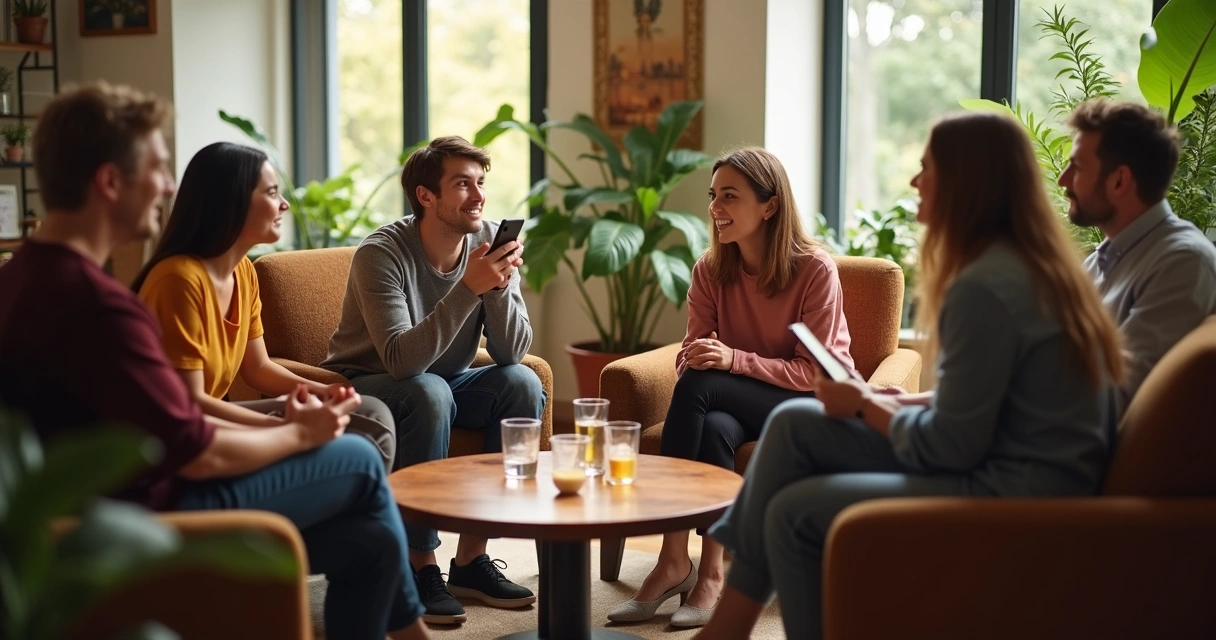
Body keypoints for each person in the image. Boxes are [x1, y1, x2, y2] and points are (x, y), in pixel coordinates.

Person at [0, 82, 431, 640]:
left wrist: (298, 419)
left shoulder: (20, 278)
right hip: (142, 520)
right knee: (356, 456)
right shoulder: (99, 308)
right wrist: (300, 435)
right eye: (156, 168)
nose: (167, 186)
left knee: (370, 541)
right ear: (109, 182)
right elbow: (196, 454)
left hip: (94, 510)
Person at [691, 112, 1124, 640]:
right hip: (1004, 454)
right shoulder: (1019, 266)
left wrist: (866, 407)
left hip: (1016, 485)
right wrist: (893, 399)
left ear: (969, 183)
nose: (915, 182)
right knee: (794, 421)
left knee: (790, 512)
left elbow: (953, 447)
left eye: (927, 169)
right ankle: (728, 624)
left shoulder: (985, 286)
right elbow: (993, 404)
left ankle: (726, 624)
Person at [606, 147, 855, 628]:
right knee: (715, 425)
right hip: (735, 402)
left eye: (730, 197)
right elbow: (689, 353)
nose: (716, 208)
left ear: (770, 205)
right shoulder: (710, 270)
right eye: (713, 195)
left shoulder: (814, 270)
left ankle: (672, 558)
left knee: (704, 385)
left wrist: (730, 359)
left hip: (812, 403)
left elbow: (818, 373)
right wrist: (697, 356)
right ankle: (709, 571)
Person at [321, 135, 544, 623]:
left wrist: (499, 287)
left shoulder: (487, 240)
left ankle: (470, 560)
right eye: (462, 184)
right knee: (428, 389)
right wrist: (468, 289)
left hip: (446, 380)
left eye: (481, 183)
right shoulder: (381, 253)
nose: (479, 196)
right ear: (426, 196)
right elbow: (402, 361)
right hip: (370, 384)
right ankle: (419, 564)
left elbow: (510, 352)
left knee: (522, 382)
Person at [130, 142, 397, 470]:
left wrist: (331, 391)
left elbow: (258, 368)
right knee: (365, 430)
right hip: (180, 435)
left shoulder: (243, 271)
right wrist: (285, 428)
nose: (284, 204)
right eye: (272, 193)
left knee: (369, 411)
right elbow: (189, 403)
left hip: (208, 418)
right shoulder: (179, 280)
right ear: (233, 202)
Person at [1059, 98, 1216, 415]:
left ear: (1119, 181)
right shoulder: (1099, 263)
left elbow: (1117, 399)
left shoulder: (1183, 264)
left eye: (1076, 166)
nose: (1063, 180)